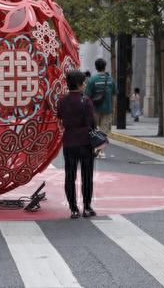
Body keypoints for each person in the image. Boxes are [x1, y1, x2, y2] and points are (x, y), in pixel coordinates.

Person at [58, 70, 102, 219]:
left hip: (69, 141)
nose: (84, 84)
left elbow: (60, 117)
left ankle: (73, 209)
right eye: (83, 82)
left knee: (70, 176)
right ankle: (87, 207)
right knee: (87, 176)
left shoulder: (62, 101)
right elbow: (91, 123)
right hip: (85, 142)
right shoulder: (86, 101)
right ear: (78, 84)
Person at [85, 58, 116, 158]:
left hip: (94, 109)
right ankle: (101, 151)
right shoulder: (111, 80)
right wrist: (113, 108)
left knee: (93, 130)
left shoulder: (92, 80)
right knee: (104, 130)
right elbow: (114, 95)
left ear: (96, 67)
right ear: (105, 67)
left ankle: (95, 148)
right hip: (107, 109)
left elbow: (87, 96)